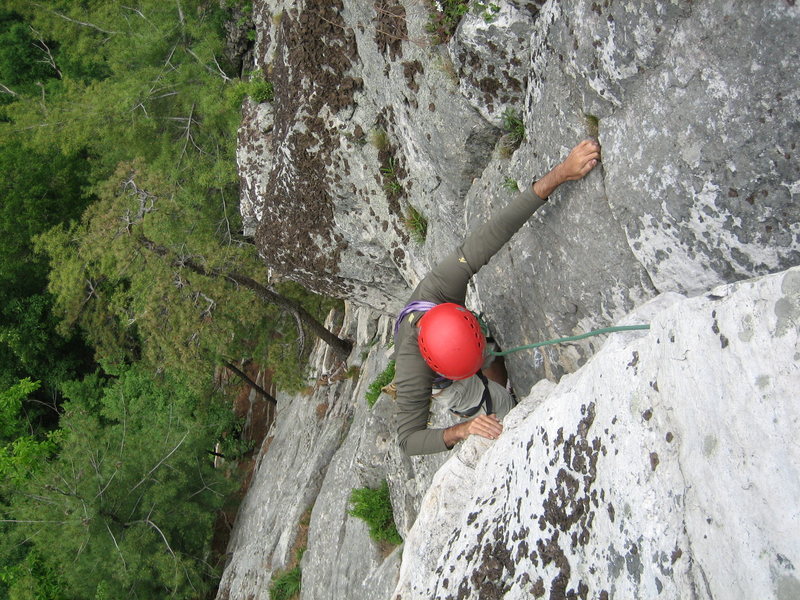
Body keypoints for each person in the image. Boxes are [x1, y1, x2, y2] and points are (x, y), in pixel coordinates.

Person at [393, 140, 601, 456]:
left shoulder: (442, 287)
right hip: (447, 381)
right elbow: (408, 441)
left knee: (490, 357)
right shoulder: (413, 370)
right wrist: (462, 430)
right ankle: (501, 397)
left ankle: (496, 374)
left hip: (461, 335)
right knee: (500, 410)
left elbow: (494, 231)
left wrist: (561, 173)